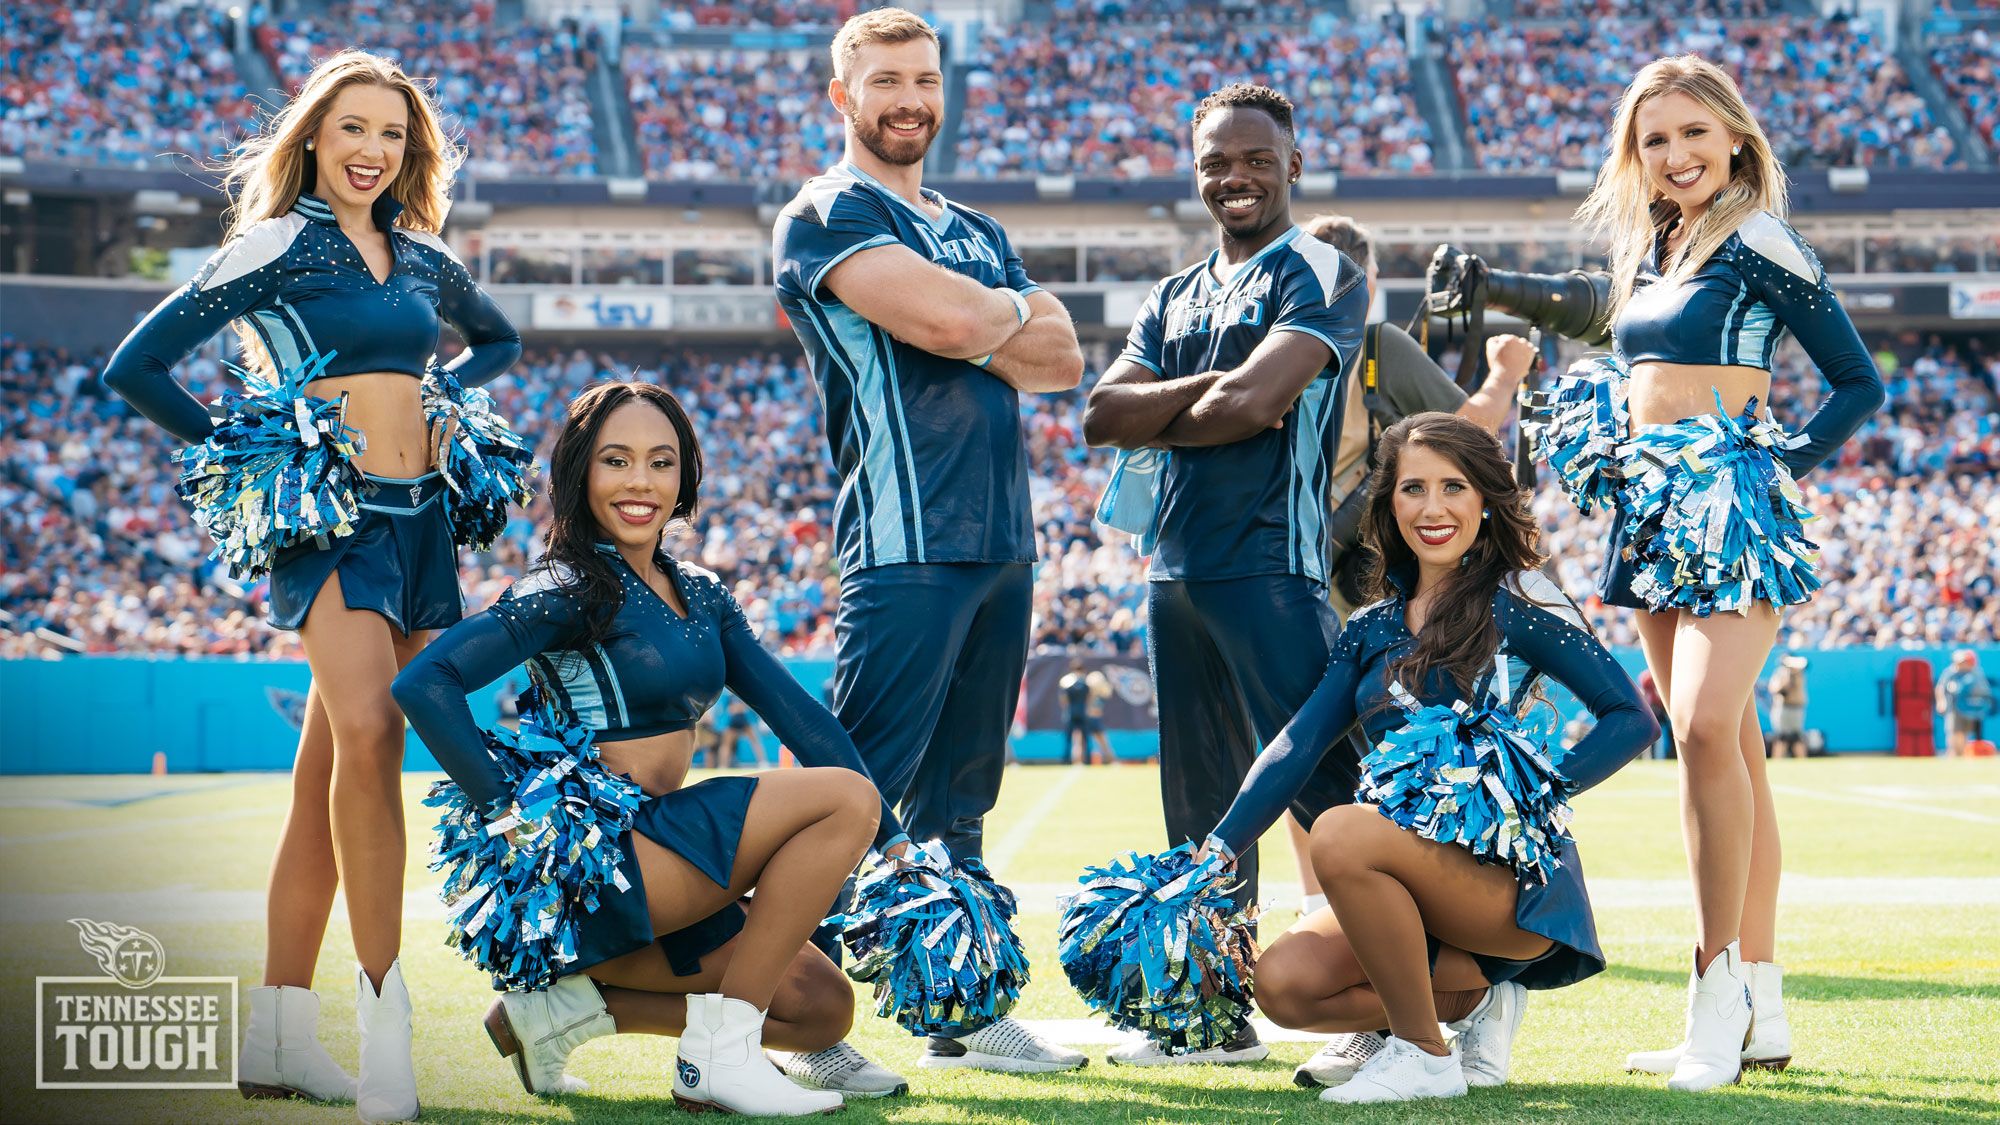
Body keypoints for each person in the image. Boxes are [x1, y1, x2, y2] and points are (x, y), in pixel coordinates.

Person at [99, 50, 522, 1121]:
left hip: (425, 524)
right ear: (313, 141)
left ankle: (275, 1036)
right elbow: (137, 367)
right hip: (330, 525)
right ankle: (387, 1027)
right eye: (352, 131)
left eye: (392, 134)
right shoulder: (280, 242)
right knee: (375, 735)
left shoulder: (424, 257)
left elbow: (502, 341)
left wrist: (446, 401)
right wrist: (254, 450)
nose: (372, 151)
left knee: (323, 776)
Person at [392, 382, 908, 1115]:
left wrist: (898, 844)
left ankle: (559, 1013)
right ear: (580, 472)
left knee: (822, 1008)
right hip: (608, 870)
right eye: (617, 460)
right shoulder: (565, 587)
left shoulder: (699, 590)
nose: (641, 482)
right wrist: (505, 810)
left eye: (661, 462)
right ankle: (718, 1059)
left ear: (684, 476)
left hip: (672, 867)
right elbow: (425, 681)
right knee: (842, 799)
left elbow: (802, 719)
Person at [771, 7, 1088, 1075]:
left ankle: (965, 1008)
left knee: (962, 798)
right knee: (846, 792)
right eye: (884, 81)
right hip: (903, 543)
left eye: (923, 79)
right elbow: (967, 331)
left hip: (1003, 542)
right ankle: (785, 1016)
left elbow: (1060, 358)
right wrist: (984, 320)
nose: (908, 99)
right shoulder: (824, 211)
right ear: (842, 97)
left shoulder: (976, 228)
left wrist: (970, 314)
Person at [1570, 55, 1883, 1090]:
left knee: (1702, 728)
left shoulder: (1756, 236)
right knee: (1731, 750)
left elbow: (1854, 382)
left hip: (1732, 508)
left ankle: (1711, 1001)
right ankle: (1760, 1007)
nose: (1675, 154)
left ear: (1735, 139)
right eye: (1653, 139)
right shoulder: (1651, 245)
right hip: (1650, 509)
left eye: (1693, 133)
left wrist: (1770, 463)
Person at [1202, 412, 1657, 1104]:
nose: (1434, 507)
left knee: (1339, 829)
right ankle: (1470, 1002)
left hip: (1506, 885)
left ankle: (1422, 1052)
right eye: (1414, 488)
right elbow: (1296, 744)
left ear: (1484, 501)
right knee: (1283, 985)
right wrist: (1218, 850)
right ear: (1388, 503)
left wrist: (1534, 787)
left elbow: (1632, 716)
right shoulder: (1370, 627)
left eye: (1455, 486)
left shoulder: (1521, 604)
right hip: (1406, 882)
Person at [1081, 83, 1367, 1068]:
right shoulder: (1174, 291)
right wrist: (1224, 395)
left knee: (1330, 796)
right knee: (1196, 811)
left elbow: (1255, 404)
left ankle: (1388, 1010)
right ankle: (1206, 1017)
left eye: (1253, 159)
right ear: (1193, 169)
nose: (1233, 177)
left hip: (1272, 569)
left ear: (1293, 163)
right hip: (1175, 573)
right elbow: (1097, 415)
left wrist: (1174, 403)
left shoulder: (1320, 269)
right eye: (1215, 162)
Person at [1285, 216, 1539, 1081]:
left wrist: (1503, 376)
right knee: (1320, 785)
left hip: (1389, 597)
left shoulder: (1376, 346)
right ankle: (1382, 969)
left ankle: (1485, 980)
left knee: (1417, 781)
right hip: (1315, 597)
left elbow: (1455, 435)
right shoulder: (1289, 341)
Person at [1936, 649, 1994, 757]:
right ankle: (1953, 753)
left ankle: (1961, 754)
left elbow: (1984, 692)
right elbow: (1940, 688)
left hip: (1969, 708)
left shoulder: (1976, 672)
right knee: (1953, 731)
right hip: (1953, 707)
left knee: (1964, 733)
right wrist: (1941, 701)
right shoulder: (1950, 672)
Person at [1059, 655, 1115, 765]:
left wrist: (1066, 710)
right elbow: (1091, 698)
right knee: (1087, 738)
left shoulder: (1067, 683)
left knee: (1070, 739)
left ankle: (1066, 760)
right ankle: (1088, 760)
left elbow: (1063, 699)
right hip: (1084, 712)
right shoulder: (1086, 683)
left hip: (1071, 712)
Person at [1767, 655, 1809, 759]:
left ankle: (1803, 762)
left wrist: (1792, 673)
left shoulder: (1799, 673)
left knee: (1797, 736)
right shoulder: (1780, 673)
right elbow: (1774, 689)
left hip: (1796, 708)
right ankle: (1777, 761)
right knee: (1781, 736)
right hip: (1783, 707)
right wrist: (1784, 682)